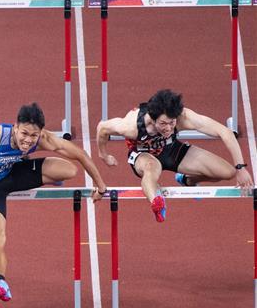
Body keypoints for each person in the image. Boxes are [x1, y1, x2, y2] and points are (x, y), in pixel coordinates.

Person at [0, 103, 107, 302]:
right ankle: (0, 281)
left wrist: (101, 185)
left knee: (69, 170)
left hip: (12, 172)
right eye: (24, 134)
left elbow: (80, 155)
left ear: (40, 133)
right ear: (15, 127)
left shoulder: (43, 138)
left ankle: (40, 174)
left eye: (33, 136)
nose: (28, 140)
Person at [96, 89, 253, 222]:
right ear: (152, 118)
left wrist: (240, 167)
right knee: (152, 168)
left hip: (171, 150)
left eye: (172, 123)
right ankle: (156, 202)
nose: (169, 128)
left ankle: (187, 180)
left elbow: (224, 131)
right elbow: (102, 128)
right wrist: (103, 155)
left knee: (227, 172)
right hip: (143, 155)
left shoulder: (182, 117)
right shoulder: (131, 126)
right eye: (163, 124)